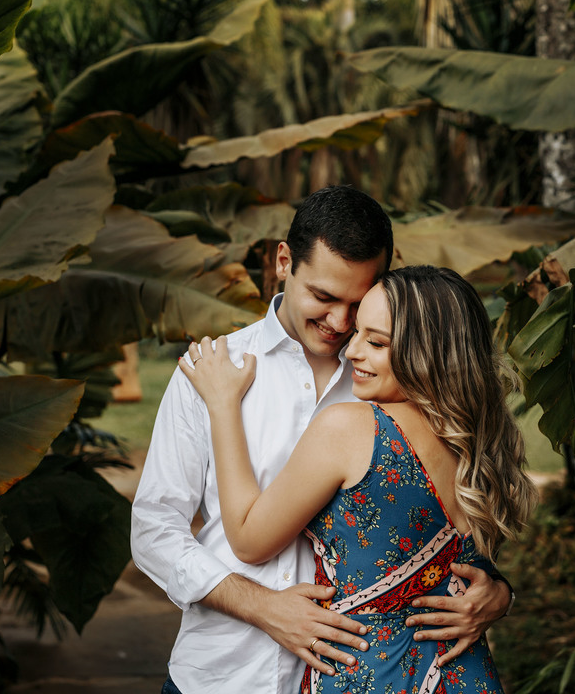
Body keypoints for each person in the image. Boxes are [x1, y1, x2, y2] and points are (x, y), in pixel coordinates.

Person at [131, 187, 514, 694]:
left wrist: (496, 592)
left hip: (352, 674)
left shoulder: (389, 378)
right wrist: (263, 608)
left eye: (356, 304)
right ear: (283, 263)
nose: (339, 324)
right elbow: (155, 529)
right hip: (227, 671)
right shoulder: (212, 372)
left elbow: (438, 522)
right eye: (324, 297)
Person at [181, 265, 537, 693]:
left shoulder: (351, 429)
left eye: (377, 342)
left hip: (372, 676)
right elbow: (472, 572)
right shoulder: (483, 441)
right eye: (357, 334)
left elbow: (246, 538)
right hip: (469, 677)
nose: (351, 351)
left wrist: (222, 404)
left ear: (429, 353)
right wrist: (501, 594)